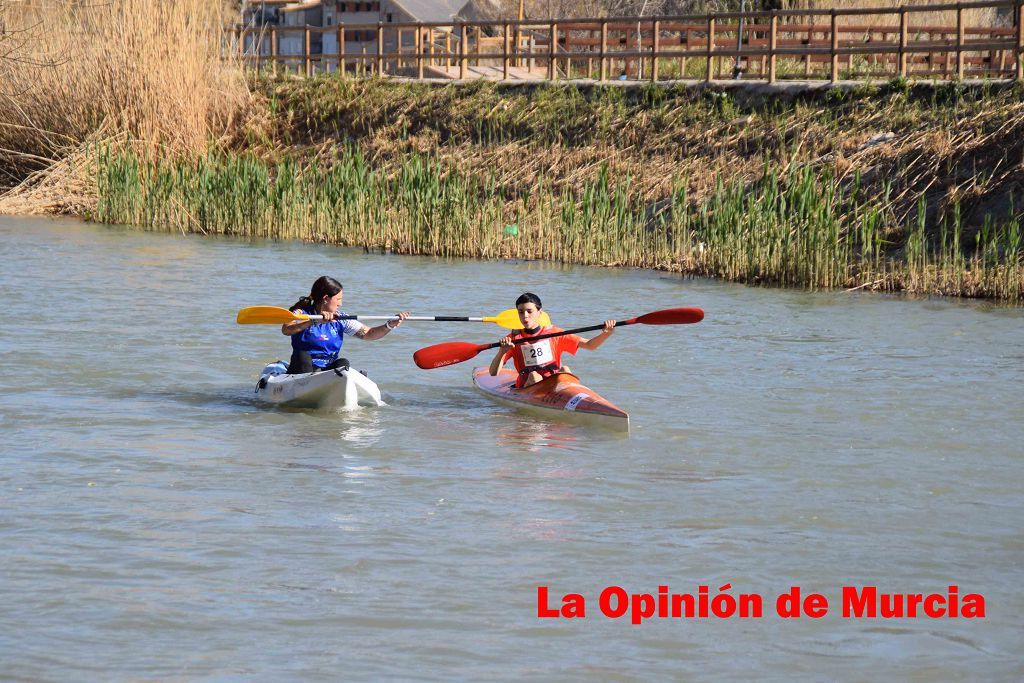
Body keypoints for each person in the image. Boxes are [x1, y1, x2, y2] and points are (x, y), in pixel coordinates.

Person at [281, 276, 410, 374]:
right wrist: (314, 321)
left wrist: (389, 325)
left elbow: (369, 334)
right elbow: (286, 329)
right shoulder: (300, 313)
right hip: (300, 369)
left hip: (325, 370)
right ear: (326, 298)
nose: (340, 304)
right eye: (338, 300)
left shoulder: (341, 319)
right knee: (303, 356)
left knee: (343, 363)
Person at [488, 292, 615, 389]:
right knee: (534, 375)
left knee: (565, 370)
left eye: (529, 311)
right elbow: (493, 373)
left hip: (554, 384)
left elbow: (589, 345)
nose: (525, 316)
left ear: (540, 312)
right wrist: (502, 352)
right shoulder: (513, 339)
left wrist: (606, 333)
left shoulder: (554, 333)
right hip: (527, 386)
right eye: (521, 312)